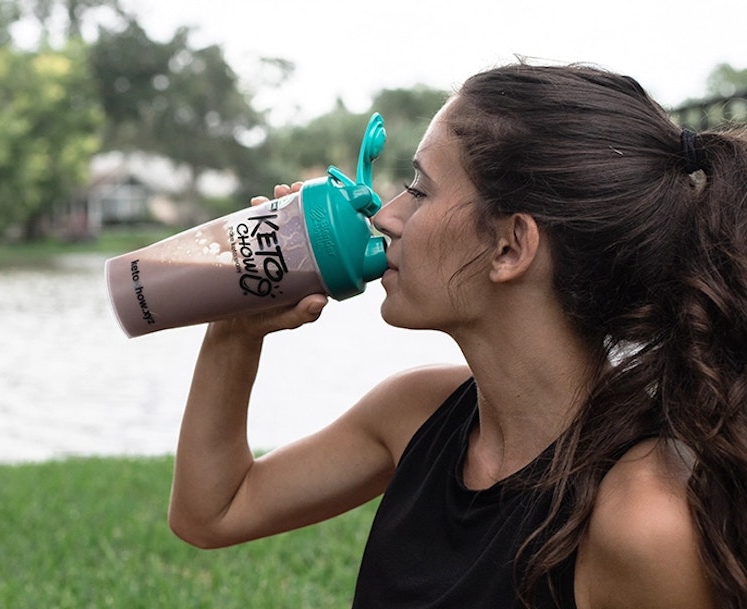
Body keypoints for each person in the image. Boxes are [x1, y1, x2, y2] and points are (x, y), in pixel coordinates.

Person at [166, 62, 747, 608]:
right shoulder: (416, 412)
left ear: (510, 246)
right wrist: (235, 331)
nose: (388, 216)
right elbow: (213, 512)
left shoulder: (642, 519)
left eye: (419, 189)